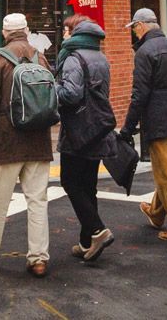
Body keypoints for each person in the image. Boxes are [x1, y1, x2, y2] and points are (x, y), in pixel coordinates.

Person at [0, 12, 53, 276]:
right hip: (39, 140)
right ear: (26, 30)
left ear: (4, 32)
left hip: (8, 140)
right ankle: (38, 259)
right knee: (38, 199)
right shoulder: (41, 57)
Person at [121, 6, 167, 244]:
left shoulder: (144, 52)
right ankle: (155, 213)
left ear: (140, 26)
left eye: (134, 29)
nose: (134, 33)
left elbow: (139, 94)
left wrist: (128, 127)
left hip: (158, 122)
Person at [55, 15, 116, 262]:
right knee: (88, 185)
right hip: (98, 128)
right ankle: (85, 241)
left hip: (78, 130)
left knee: (69, 181)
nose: (64, 35)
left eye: (66, 30)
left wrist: (51, 88)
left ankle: (98, 229)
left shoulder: (73, 58)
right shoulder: (101, 57)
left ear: (75, 32)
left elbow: (70, 94)